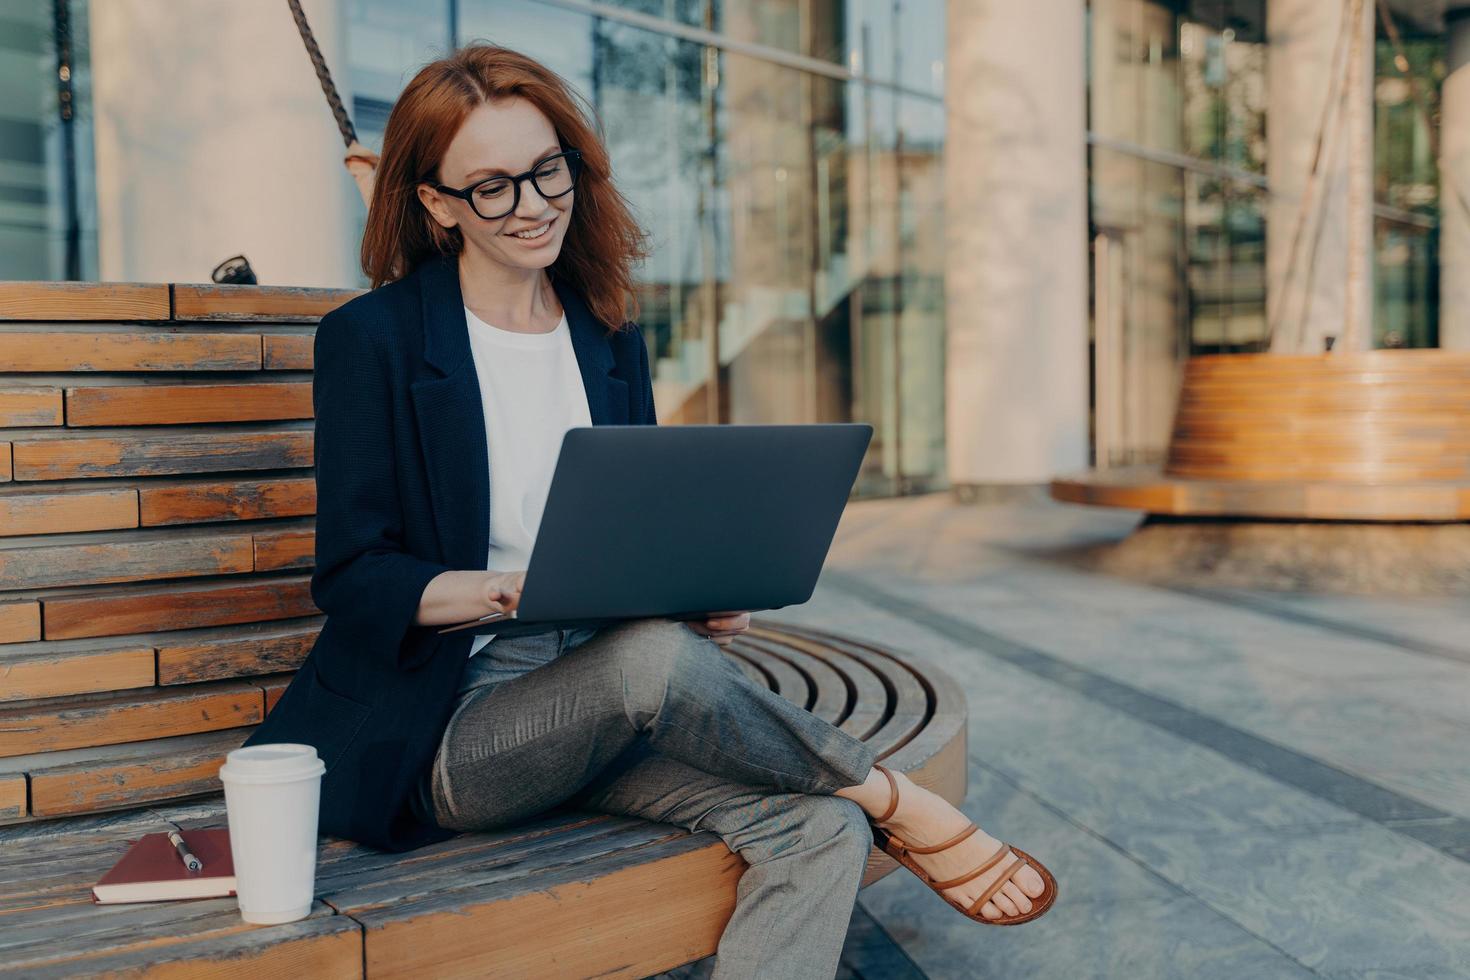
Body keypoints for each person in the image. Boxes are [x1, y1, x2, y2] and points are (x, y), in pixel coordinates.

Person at [244, 43, 1052, 979]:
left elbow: (640, 518)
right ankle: (895, 797)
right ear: (435, 203)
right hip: (458, 721)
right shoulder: (372, 340)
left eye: (547, 171)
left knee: (819, 828)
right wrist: (509, 591)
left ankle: (855, 801)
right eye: (493, 187)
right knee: (660, 665)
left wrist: (698, 589)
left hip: (616, 692)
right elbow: (353, 578)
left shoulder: (606, 333)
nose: (534, 203)